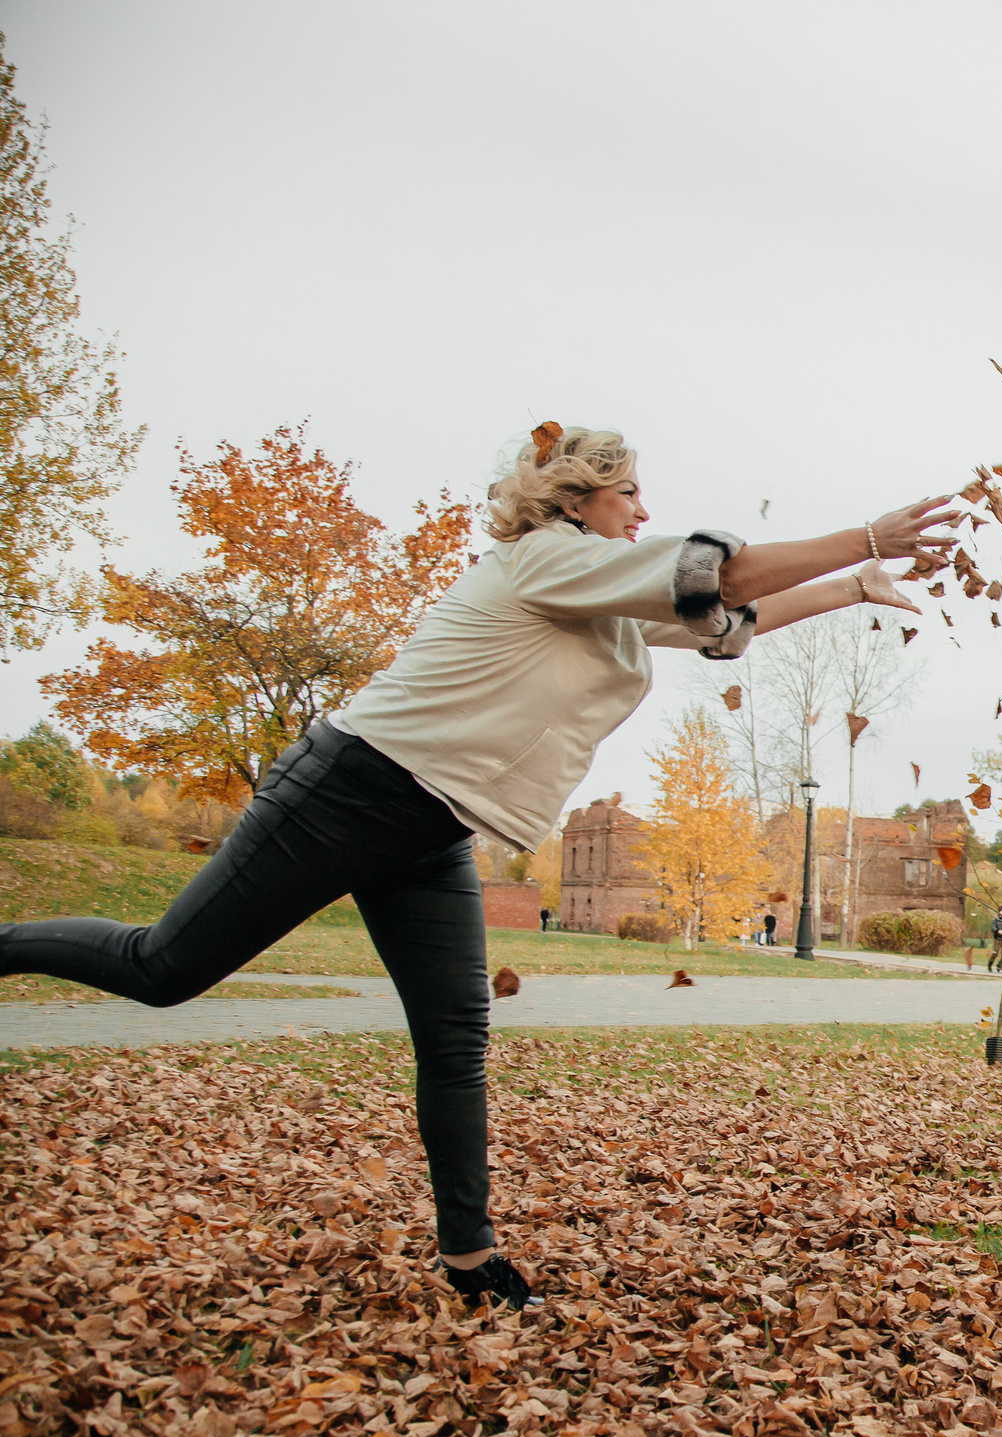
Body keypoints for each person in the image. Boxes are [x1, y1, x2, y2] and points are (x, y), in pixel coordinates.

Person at [0, 424, 950, 1309]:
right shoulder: (547, 561)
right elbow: (721, 566)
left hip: (433, 825)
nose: (643, 510)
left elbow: (728, 611)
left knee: (457, 1033)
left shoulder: (607, 599)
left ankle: (469, 1253)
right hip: (350, 790)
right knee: (162, 969)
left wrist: (856, 582)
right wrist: (865, 530)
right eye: (629, 492)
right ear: (578, 500)